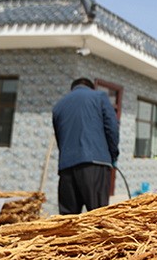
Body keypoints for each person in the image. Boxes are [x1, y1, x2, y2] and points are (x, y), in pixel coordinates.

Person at [51, 77, 120, 214]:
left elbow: (60, 140)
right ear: (90, 87)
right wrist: (113, 155)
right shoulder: (99, 96)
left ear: (73, 89)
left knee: (68, 221)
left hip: (66, 168)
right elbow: (112, 128)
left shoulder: (58, 106)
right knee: (98, 218)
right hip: (95, 163)